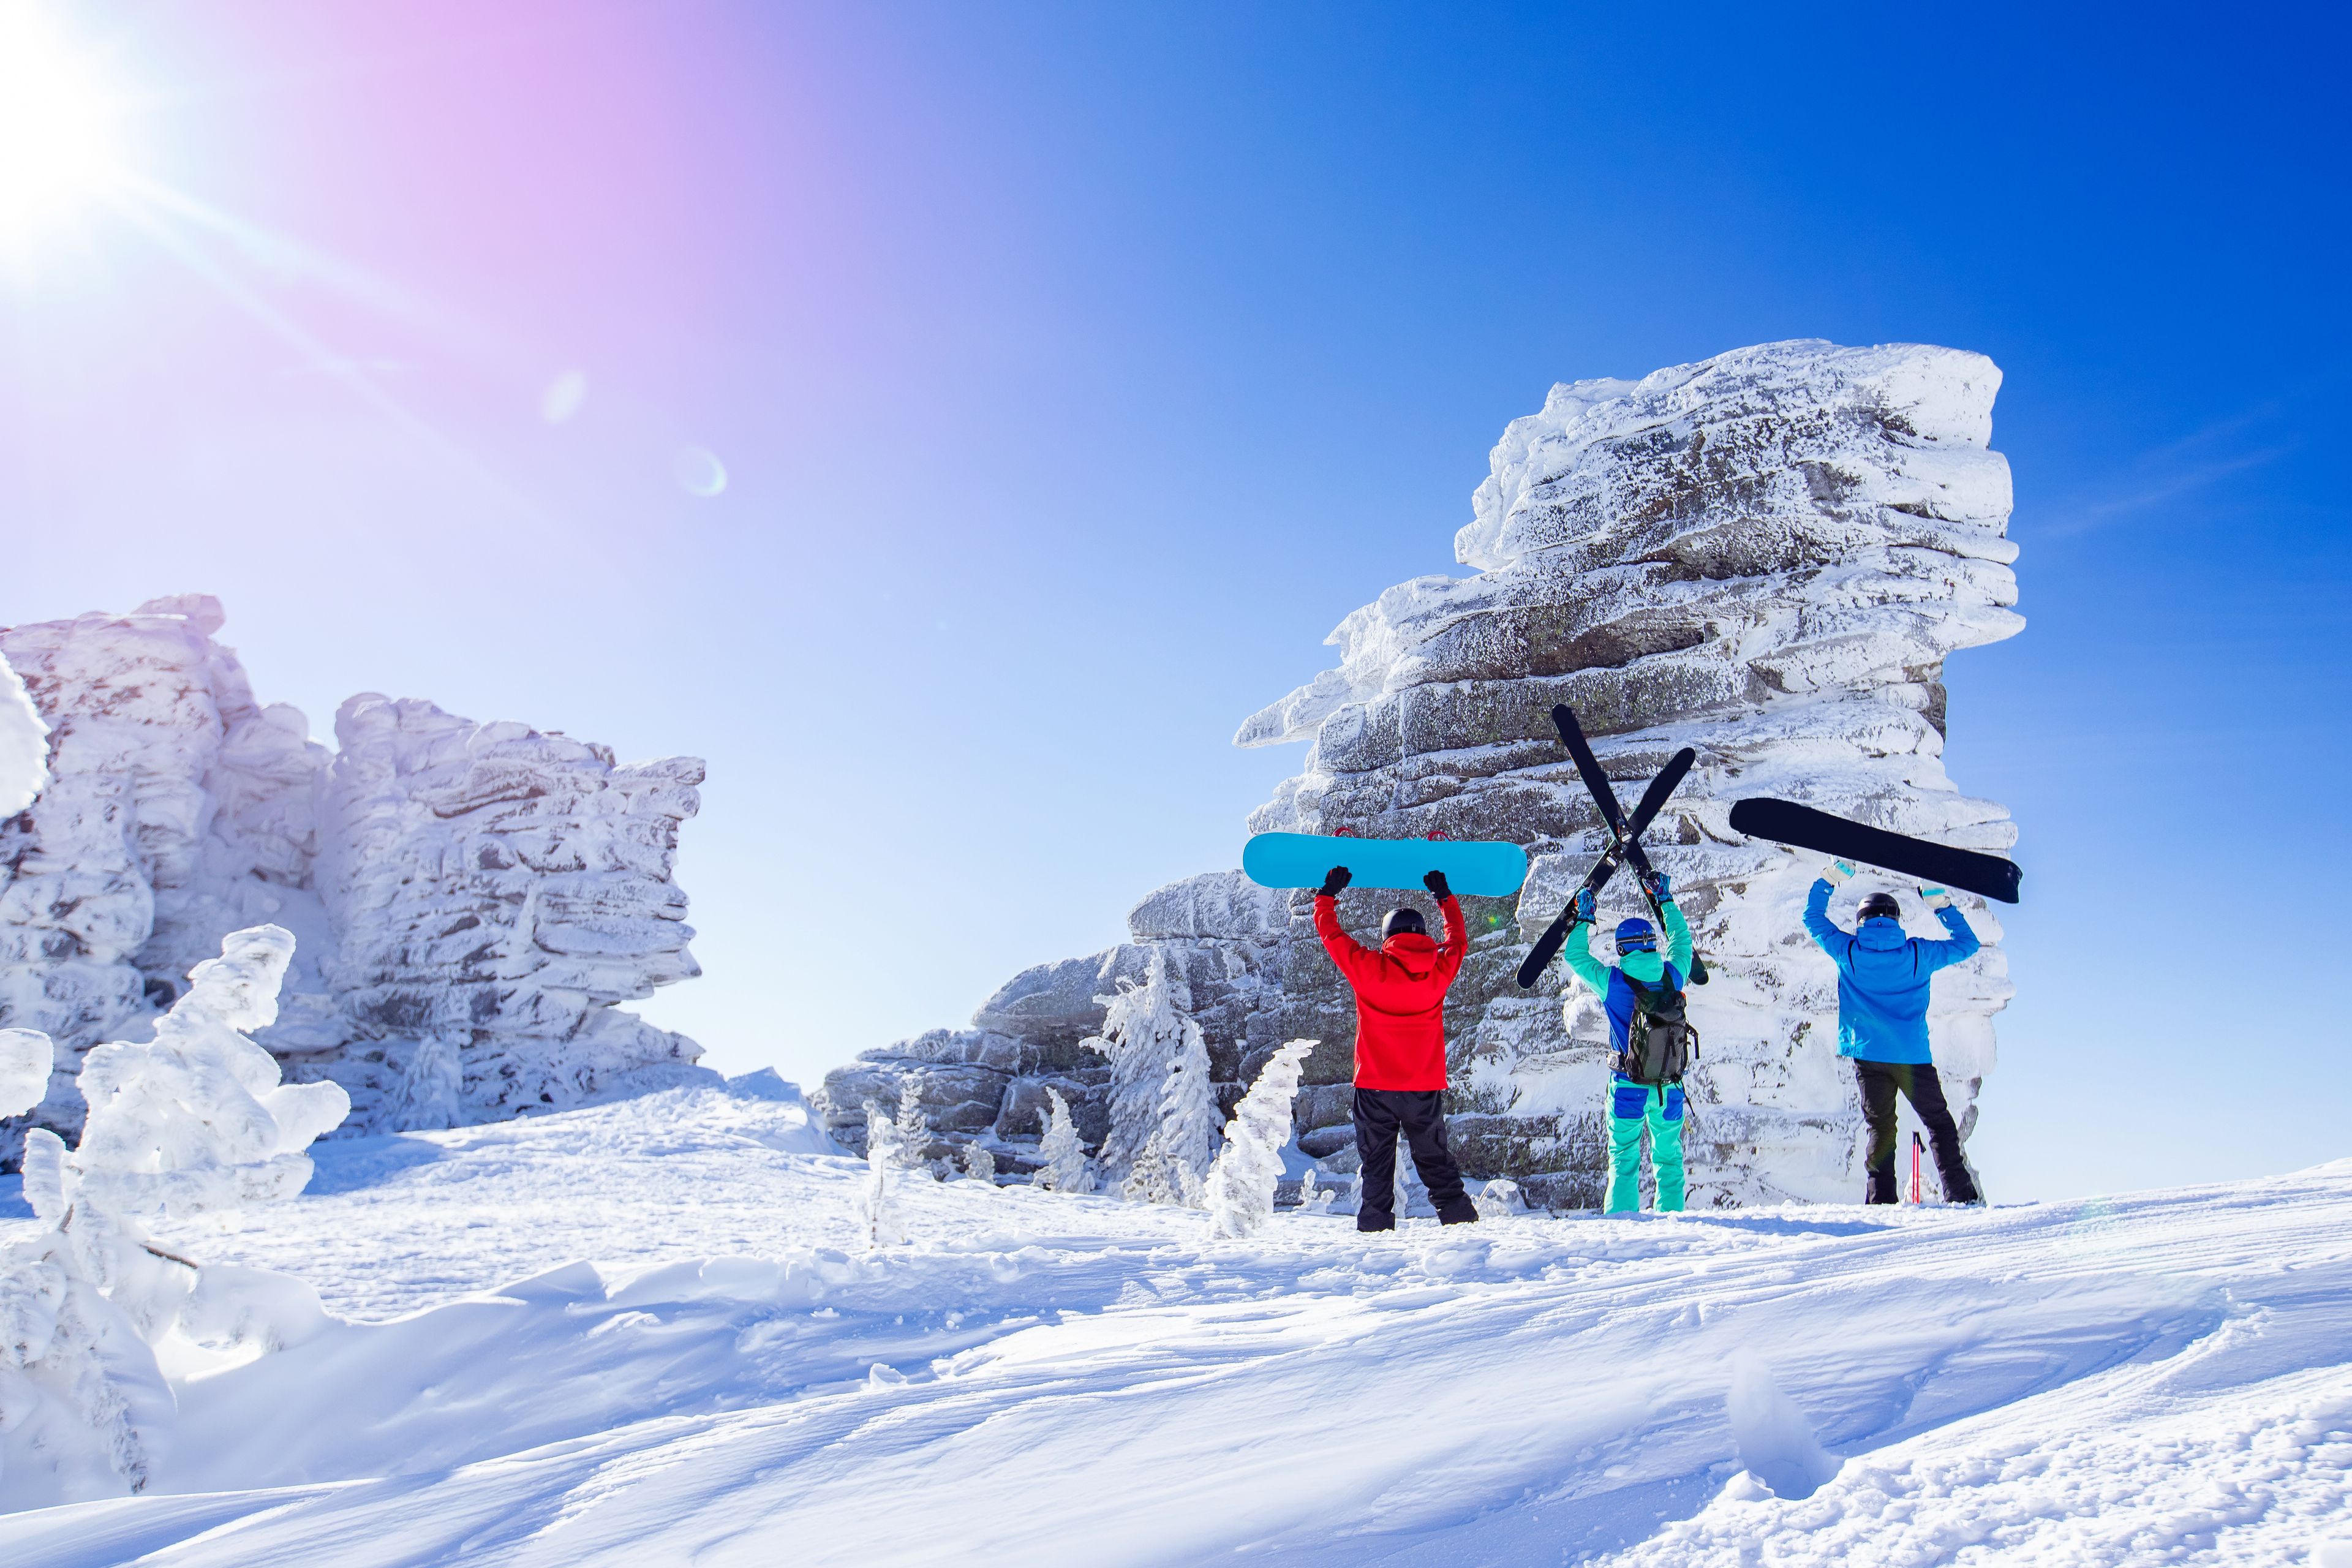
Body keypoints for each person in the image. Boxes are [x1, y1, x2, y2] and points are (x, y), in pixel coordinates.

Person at [1803, 861, 1983, 1205]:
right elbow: (1968, 944)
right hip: (1912, 1058)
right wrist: (1940, 906)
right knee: (1939, 1125)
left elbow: (1812, 917)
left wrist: (1830, 880)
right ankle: (1960, 1196)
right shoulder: (1918, 953)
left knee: (1881, 1129)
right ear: (1896, 920)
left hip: (1868, 1057)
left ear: (1862, 921)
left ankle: (1881, 1202)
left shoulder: (1849, 952)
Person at [1313, 864, 1479, 1232]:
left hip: (1375, 1085)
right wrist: (1445, 900)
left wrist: (1327, 896)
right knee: (1435, 1162)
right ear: (1421, 935)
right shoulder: (1438, 970)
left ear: (1387, 935)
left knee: (1376, 1165)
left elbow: (1332, 936)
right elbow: (1458, 942)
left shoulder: (1369, 968)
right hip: (1422, 1086)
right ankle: (1461, 1226)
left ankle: (1376, 1234)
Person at [1559, 870, 1693, 1214]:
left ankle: (1622, 1231)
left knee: (1623, 1161)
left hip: (1628, 1085)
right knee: (1669, 1160)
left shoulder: (1614, 982)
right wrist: (1665, 899)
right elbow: (1682, 939)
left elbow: (1575, 957)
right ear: (1651, 942)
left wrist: (1584, 919)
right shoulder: (1672, 975)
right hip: (1671, 1087)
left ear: (1622, 948)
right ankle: (1674, 1224)